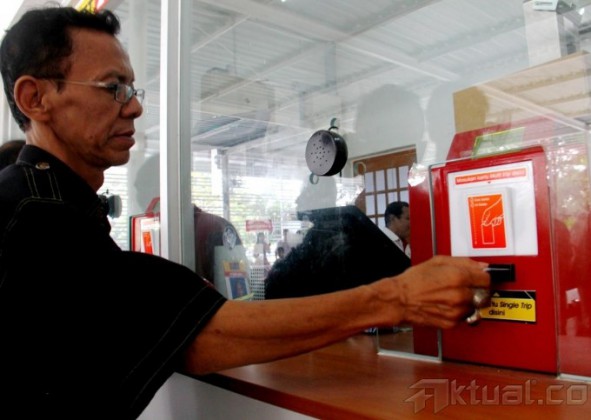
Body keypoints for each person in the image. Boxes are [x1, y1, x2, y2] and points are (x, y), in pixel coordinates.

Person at [0, 6, 490, 419]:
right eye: (113, 88)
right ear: (34, 98)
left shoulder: (54, 205)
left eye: (133, 90)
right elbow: (205, 336)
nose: (134, 108)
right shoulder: (34, 217)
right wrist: (399, 297)